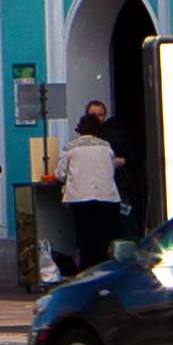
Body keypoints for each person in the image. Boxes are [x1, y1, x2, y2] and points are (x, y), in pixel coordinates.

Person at [56, 105, 128, 273]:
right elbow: (110, 169)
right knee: (105, 237)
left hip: (80, 199)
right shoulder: (106, 147)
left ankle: (87, 271)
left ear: (80, 130)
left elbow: (60, 174)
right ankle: (106, 269)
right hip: (107, 198)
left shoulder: (71, 148)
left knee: (85, 238)